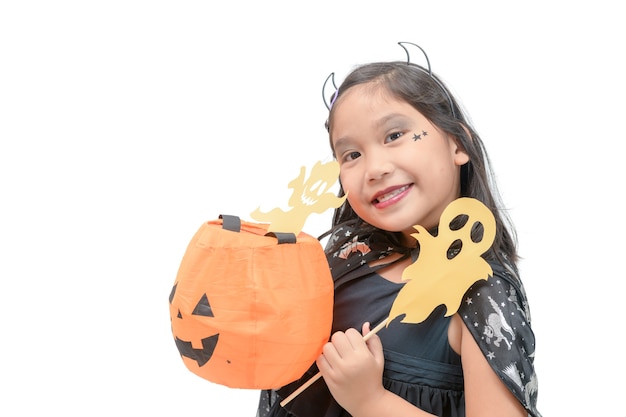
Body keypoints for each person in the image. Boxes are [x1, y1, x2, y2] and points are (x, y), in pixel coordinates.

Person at [256, 43, 541, 417]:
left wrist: (371, 402)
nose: (374, 168)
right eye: (351, 155)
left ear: (459, 143)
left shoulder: (479, 292)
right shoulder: (347, 252)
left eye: (394, 135)